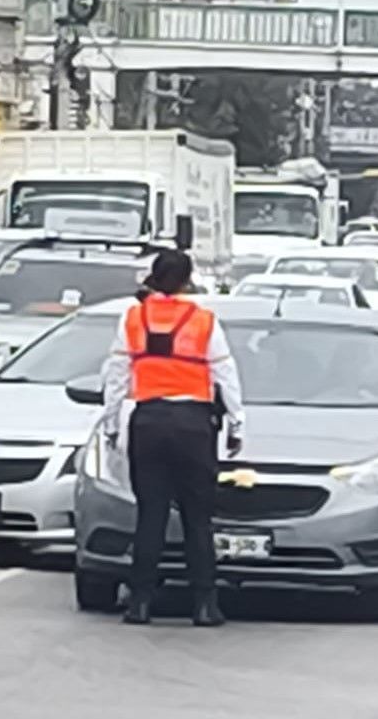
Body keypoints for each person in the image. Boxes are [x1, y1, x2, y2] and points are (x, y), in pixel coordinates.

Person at [103, 250, 245, 627]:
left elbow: (116, 375)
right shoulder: (203, 321)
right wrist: (237, 423)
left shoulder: (133, 318)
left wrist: (112, 422)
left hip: (148, 422)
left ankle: (140, 603)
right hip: (193, 424)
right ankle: (204, 605)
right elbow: (224, 373)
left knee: (150, 515)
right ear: (187, 280)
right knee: (198, 518)